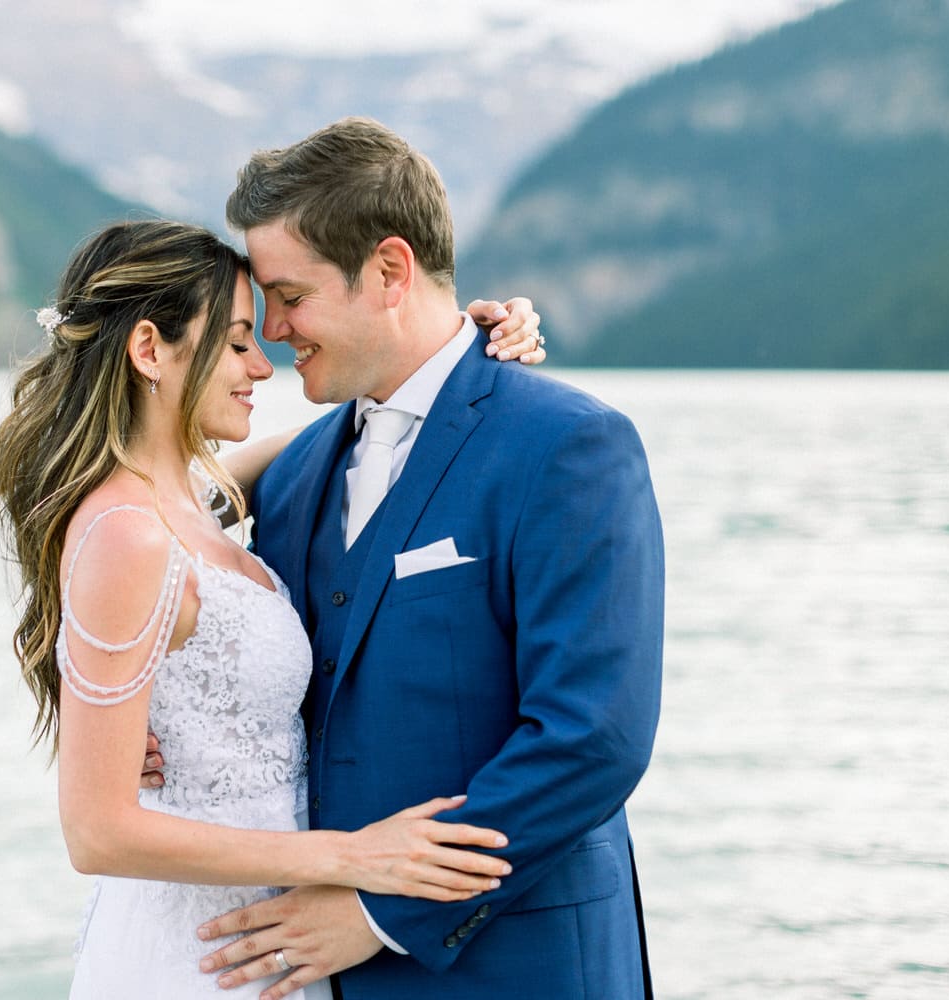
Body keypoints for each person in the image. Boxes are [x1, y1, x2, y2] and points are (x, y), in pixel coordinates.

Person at [0, 219, 547, 999]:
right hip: (195, 959)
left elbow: (357, 433)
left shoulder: (193, 499)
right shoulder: (128, 536)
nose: (263, 364)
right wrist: (350, 857)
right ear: (150, 350)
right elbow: (96, 831)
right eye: (237, 342)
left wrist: (457, 351)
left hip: (270, 945)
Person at [190, 117, 665, 1000]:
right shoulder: (292, 478)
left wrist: (376, 913)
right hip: (313, 977)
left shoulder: (569, 446)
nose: (274, 329)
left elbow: (593, 737)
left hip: (525, 969)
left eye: (290, 296)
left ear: (389, 272)